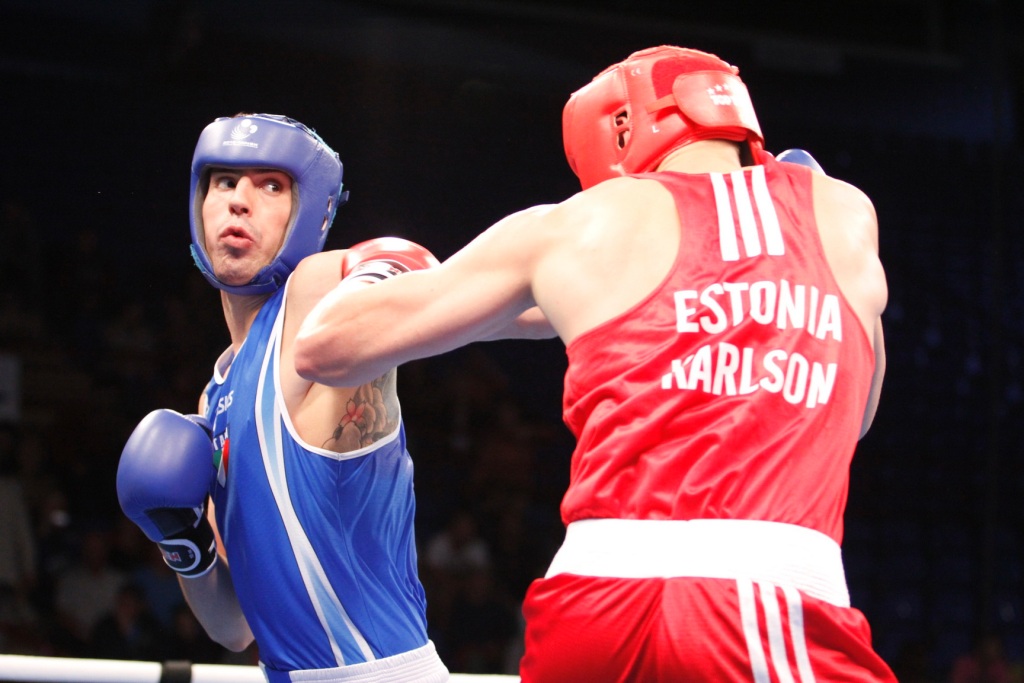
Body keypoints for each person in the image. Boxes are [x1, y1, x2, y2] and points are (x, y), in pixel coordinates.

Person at [293, 46, 895, 682]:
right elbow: (853, 414)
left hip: (596, 597)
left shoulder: (577, 228)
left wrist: (385, 269)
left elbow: (323, 346)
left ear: (621, 131)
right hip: (768, 597)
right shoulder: (843, 213)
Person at [115, 113, 450, 682]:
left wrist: (379, 281)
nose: (239, 202)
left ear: (312, 211)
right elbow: (232, 626)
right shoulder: (215, 395)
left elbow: (409, 265)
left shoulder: (312, 298)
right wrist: (184, 543)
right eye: (224, 182)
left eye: (270, 185)